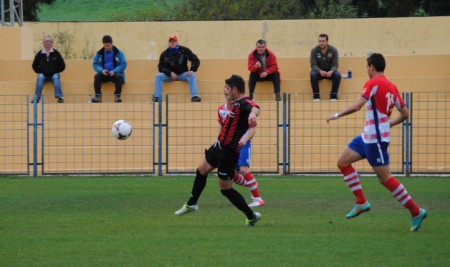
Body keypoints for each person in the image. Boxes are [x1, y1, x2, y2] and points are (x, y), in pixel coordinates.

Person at [326, 53, 427, 232]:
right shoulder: (393, 87)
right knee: (343, 162)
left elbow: (357, 106)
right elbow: (405, 113)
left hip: (376, 140)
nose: (367, 70)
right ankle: (361, 201)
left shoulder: (372, 83)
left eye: (367, 67)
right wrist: (389, 123)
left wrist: (336, 115)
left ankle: (416, 211)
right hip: (367, 137)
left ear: (371, 67)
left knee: (385, 178)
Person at [175, 74, 261, 226]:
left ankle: (251, 215)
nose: (225, 91)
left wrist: (252, 116)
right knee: (201, 170)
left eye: (228, 88)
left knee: (225, 189)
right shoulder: (230, 105)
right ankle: (192, 204)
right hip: (218, 146)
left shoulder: (244, 103)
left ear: (235, 89)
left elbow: (254, 108)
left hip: (229, 153)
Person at [218, 91, 265, 207]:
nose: (226, 93)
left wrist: (244, 139)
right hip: (229, 145)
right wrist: (219, 143)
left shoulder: (244, 108)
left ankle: (257, 198)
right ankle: (251, 184)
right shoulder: (221, 110)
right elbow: (221, 128)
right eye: (225, 90)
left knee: (243, 169)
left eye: (229, 90)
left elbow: (252, 128)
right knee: (231, 175)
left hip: (242, 143)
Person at [153, 35, 201, 103]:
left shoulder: (184, 50)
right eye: (171, 41)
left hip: (182, 74)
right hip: (170, 75)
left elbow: (195, 60)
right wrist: (170, 73)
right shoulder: (164, 54)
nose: (172, 43)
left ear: (177, 42)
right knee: (158, 76)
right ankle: (157, 97)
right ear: (168, 43)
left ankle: (194, 97)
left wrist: (192, 69)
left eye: (174, 41)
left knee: (192, 75)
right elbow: (160, 67)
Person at [92, 35, 127, 103]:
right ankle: (98, 97)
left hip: (115, 74)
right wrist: (101, 70)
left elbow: (124, 64)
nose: (106, 47)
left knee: (119, 77)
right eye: (105, 45)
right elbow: (95, 64)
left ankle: (117, 97)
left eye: (108, 45)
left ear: (111, 44)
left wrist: (115, 71)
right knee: (97, 76)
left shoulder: (119, 52)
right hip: (104, 74)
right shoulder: (99, 53)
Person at [31, 35, 65, 103]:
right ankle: (36, 98)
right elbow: (34, 65)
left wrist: (54, 71)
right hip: (43, 75)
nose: (47, 42)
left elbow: (62, 65)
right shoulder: (39, 54)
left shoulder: (56, 53)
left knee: (56, 77)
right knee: (40, 77)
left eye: (49, 41)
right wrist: (41, 71)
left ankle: (60, 97)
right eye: (46, 41)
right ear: (43, 43)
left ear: (52, 43)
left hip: (54, 75)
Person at [310, 33, 341, 101]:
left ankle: (333, 97)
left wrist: (331, 71)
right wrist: (320, 71)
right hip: (319, 72)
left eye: (323, 41)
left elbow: (335, 64)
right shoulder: (314, 50)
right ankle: (316, 97)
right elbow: (313, 65)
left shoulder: (333, 50)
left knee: (337, 75)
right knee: (313, 74)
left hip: (330, 72)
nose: (321, 43)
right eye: (320, 41)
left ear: (327, 41)